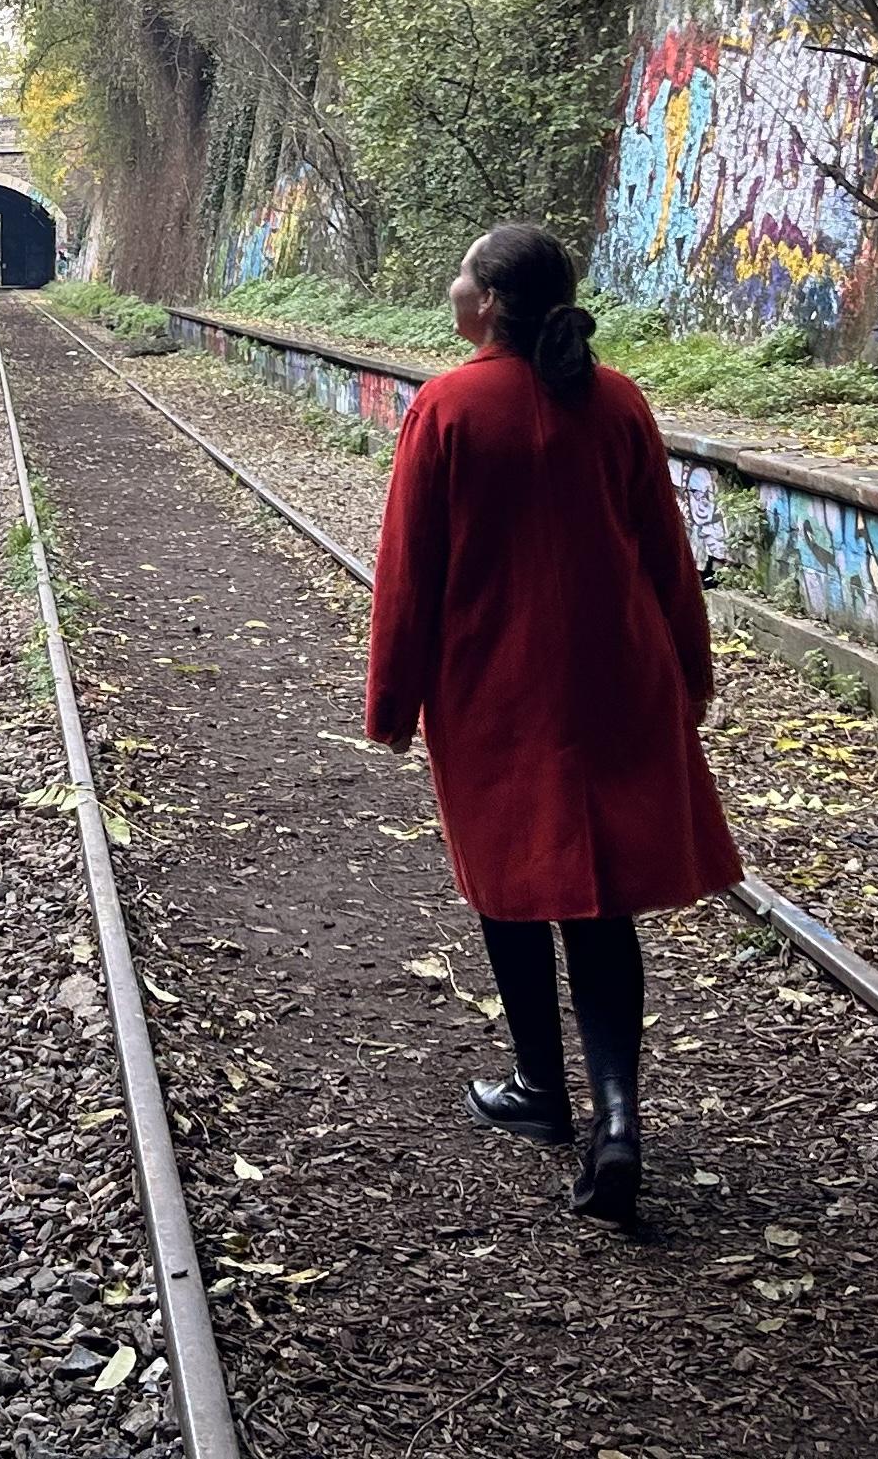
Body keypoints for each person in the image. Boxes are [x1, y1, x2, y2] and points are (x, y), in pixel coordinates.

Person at [363, 222, 743, 1224]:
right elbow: (667, 555)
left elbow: (411, 572)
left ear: (488, 301)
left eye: (460, 275)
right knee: (599, 898)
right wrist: (689, 676)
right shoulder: (616, 400)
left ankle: (540, 1090)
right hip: (617, 677)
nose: (450, 287)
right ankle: (619, 1121)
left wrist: (392, 702)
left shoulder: (447, 406)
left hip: (494, 687)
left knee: (508, 881)